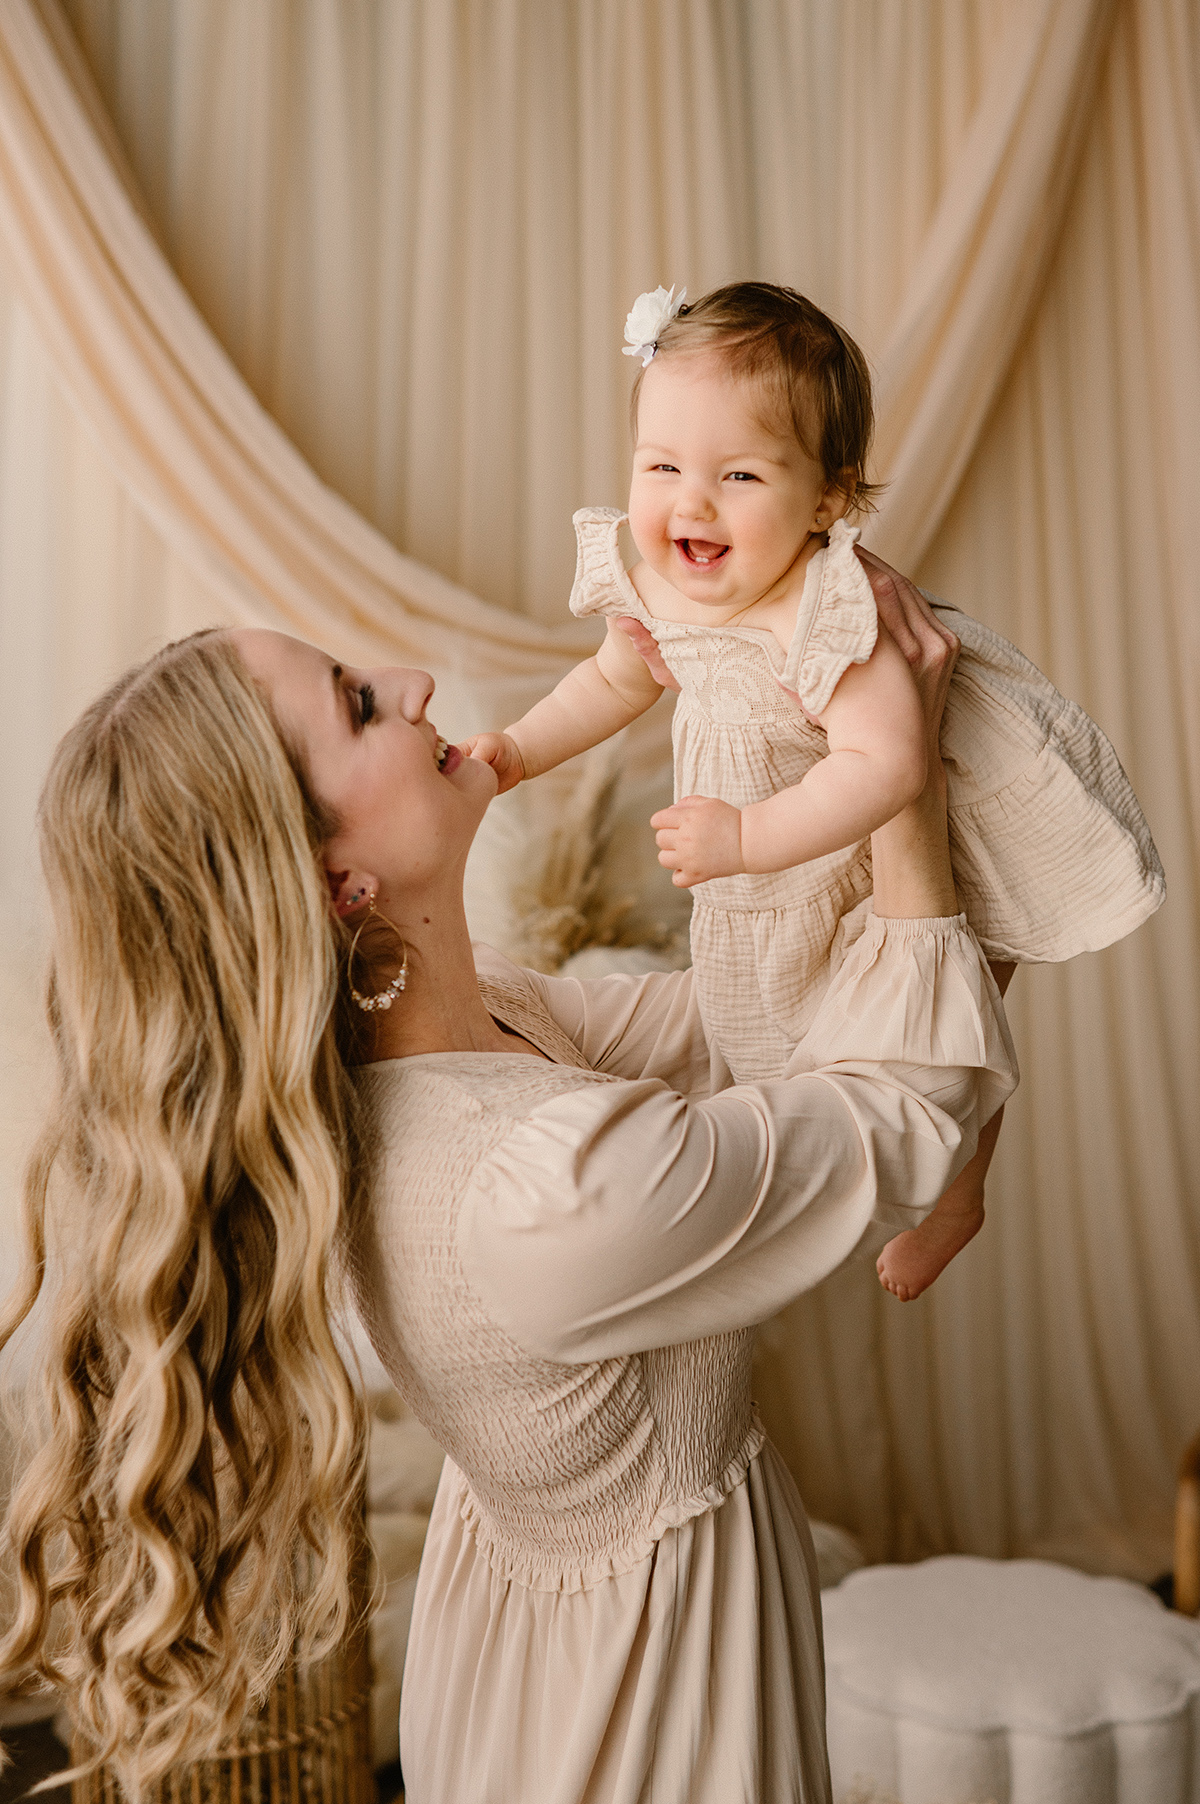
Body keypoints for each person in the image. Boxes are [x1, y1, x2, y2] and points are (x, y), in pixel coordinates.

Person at [1, 587, 1013, 1804]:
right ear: (337, 883)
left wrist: (840, 768)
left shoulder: (481, 1035)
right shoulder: (530, 1195)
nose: (416, 681)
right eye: (360, 703)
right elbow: (906, 1116)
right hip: (637, 1728)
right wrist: (901, 783)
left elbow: (768, 1024)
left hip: (544, 1666)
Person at [465, 281, 1164, 1301]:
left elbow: (890, 764)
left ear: (829, 499)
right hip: (790, 880)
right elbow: (614, 680)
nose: (689, 503)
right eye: (662, 466)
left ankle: (958, 1194)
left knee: (930, 1026)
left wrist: (745, 837)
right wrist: (521, 752)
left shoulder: (835, 616)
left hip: (862, 869)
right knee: (788, 1034)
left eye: (739, 474)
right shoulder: (660, 581)